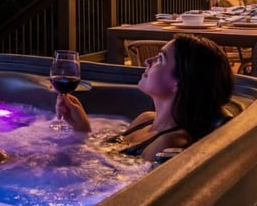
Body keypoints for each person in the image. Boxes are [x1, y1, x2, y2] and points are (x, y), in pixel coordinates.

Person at [57, 35, 234, 162]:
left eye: (160, 59)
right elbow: (105, 159)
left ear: (178, 83)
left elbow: (112, 184)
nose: (147, 61)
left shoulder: (169, 142)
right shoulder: (146, 119)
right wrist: (82, 129)